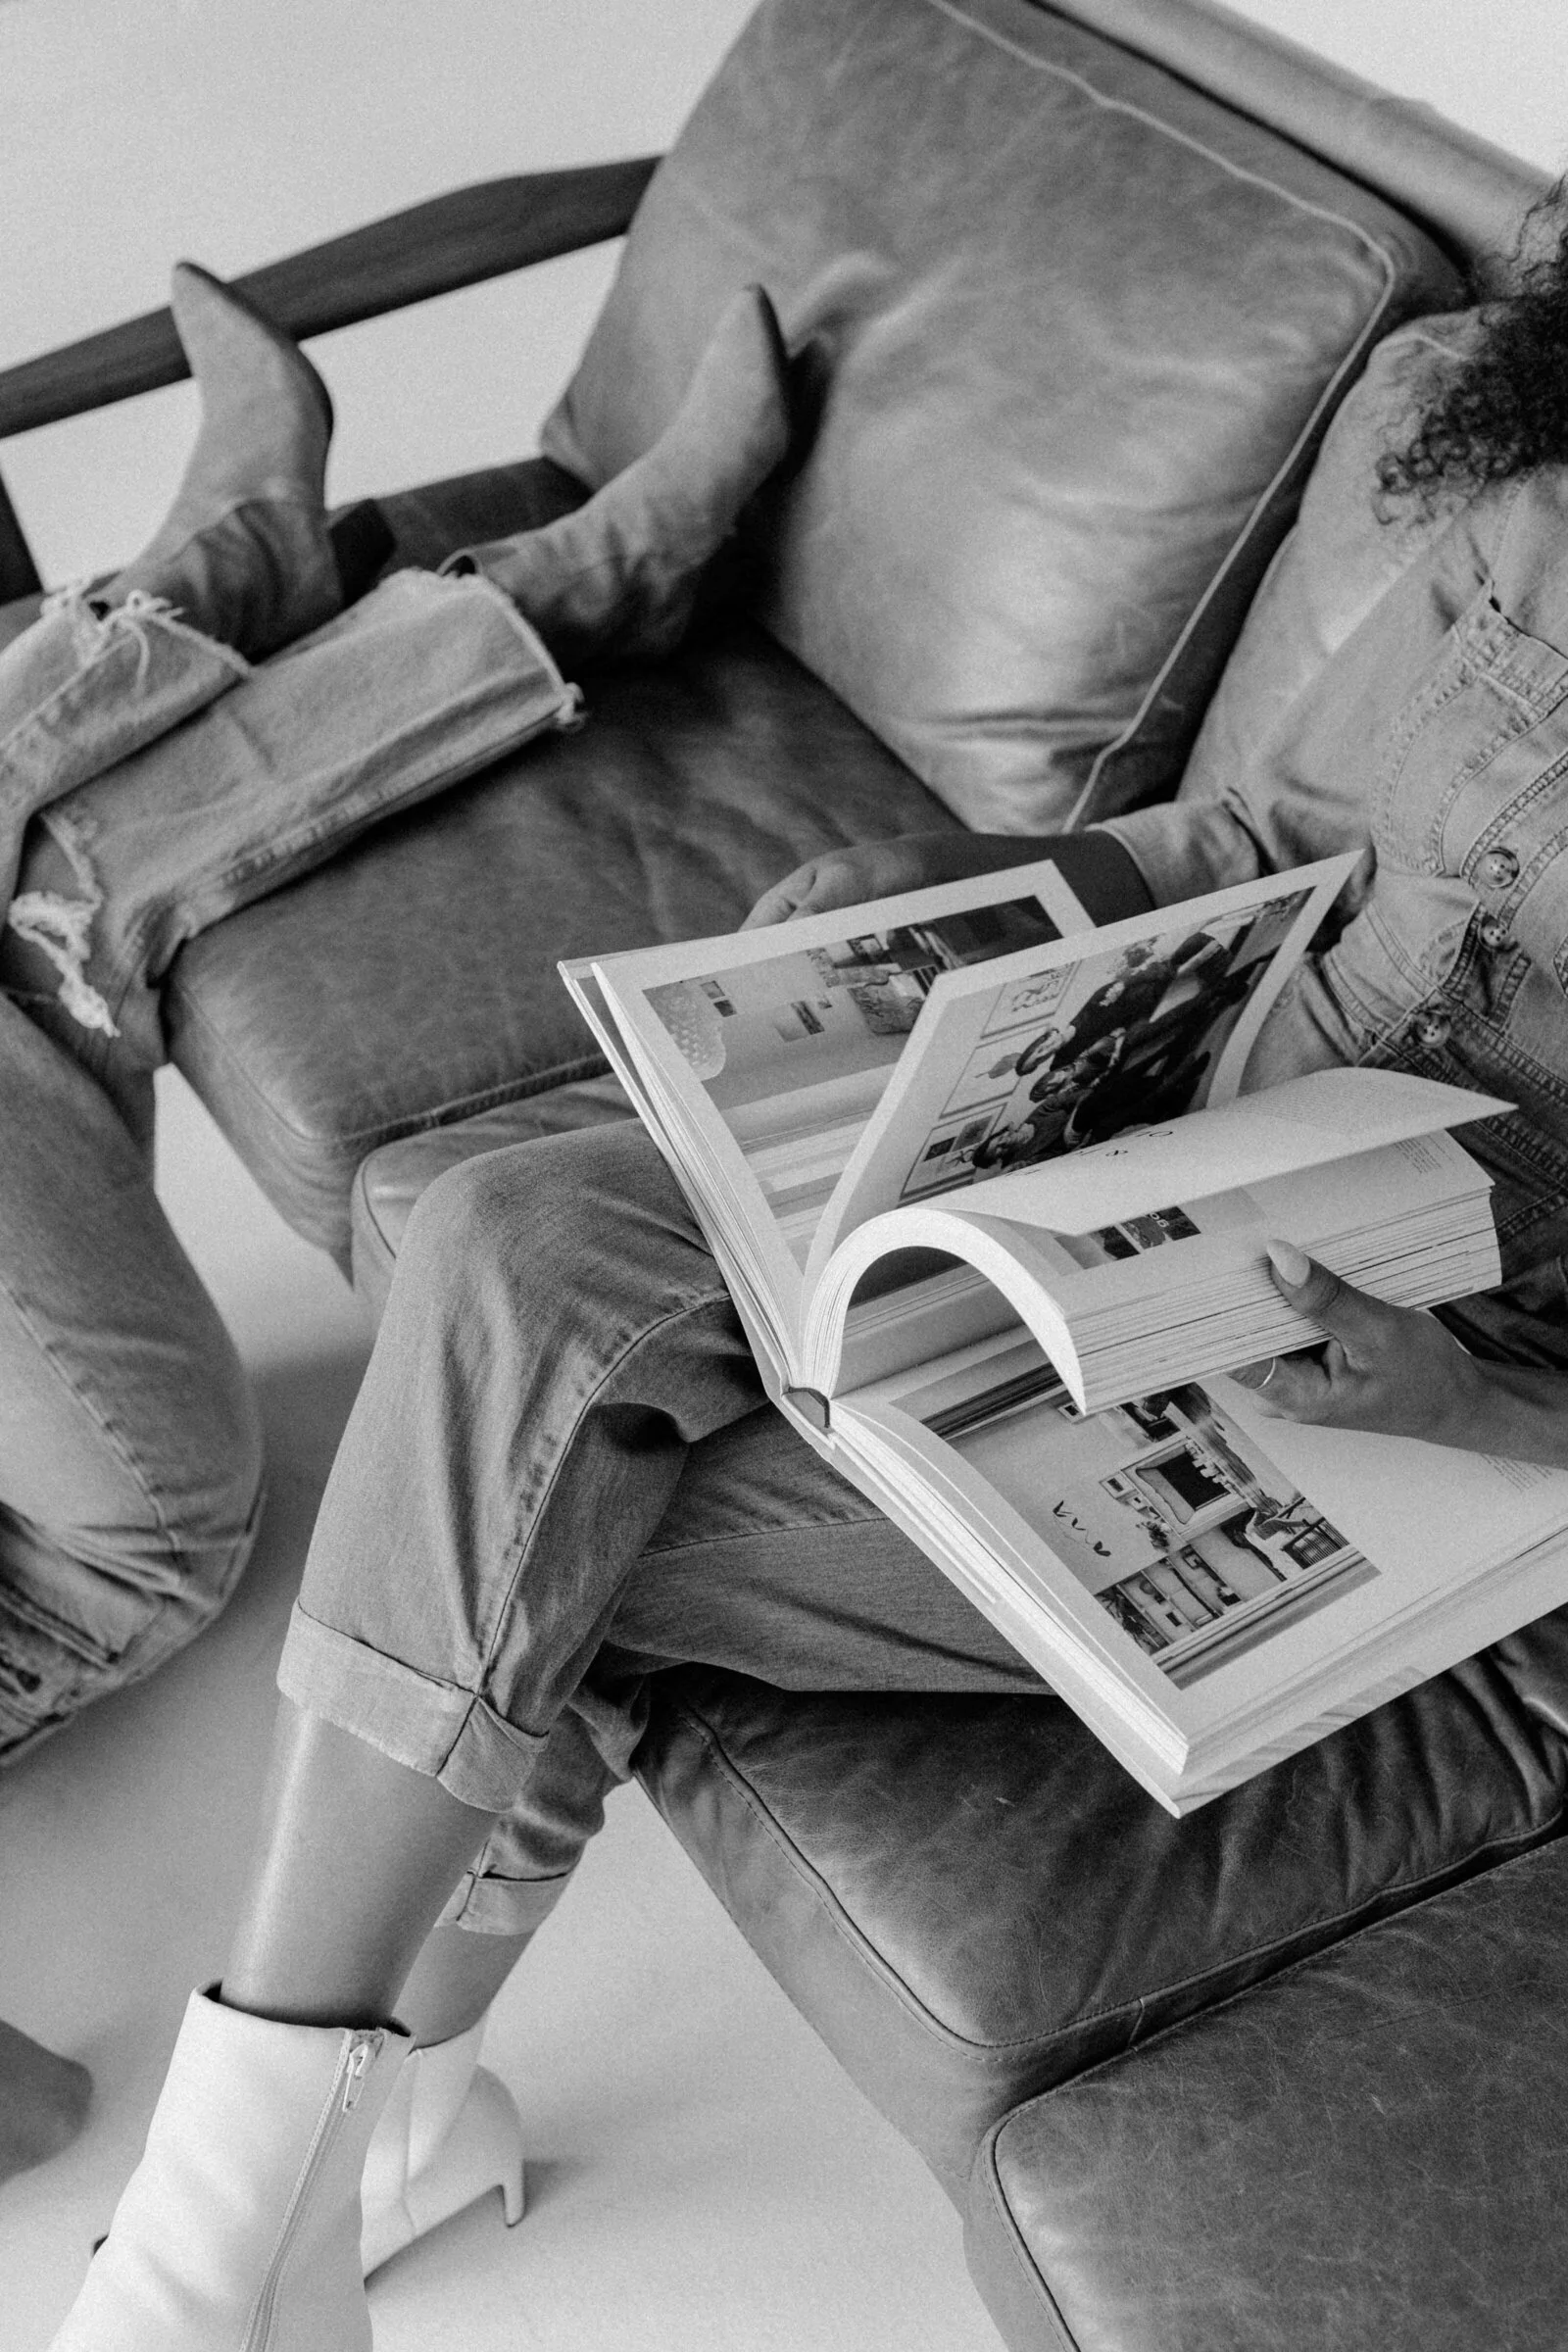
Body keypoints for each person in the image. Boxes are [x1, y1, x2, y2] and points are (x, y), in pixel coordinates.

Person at [45, 189, 1568, 2352]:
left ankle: (239, 2240)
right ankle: (328, 2175)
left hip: (1434, 1398)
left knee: (533, 1521)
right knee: (508, 1243)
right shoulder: (1532, 483)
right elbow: (1253, 853)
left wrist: (1469, 1406)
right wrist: (958, 895)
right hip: (1162, 1140)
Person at [0, 264, 794, 2194]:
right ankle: (278, 556)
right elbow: (27, 2114)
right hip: (85, 1536)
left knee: (61, 900)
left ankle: (432, 566)